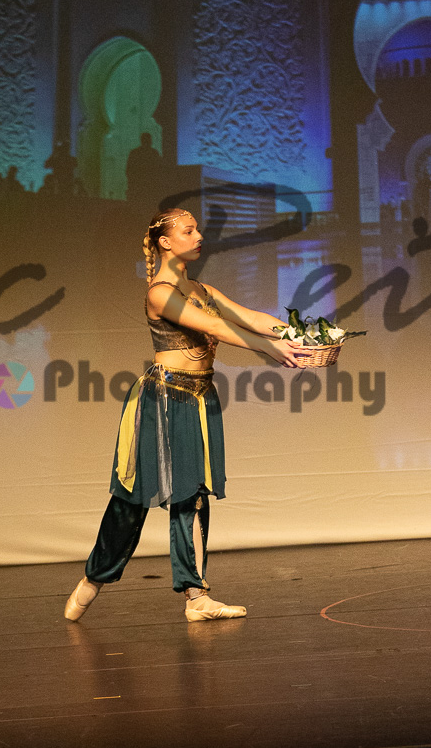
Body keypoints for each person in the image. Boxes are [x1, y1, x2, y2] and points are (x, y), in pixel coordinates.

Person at [65, 206, 300, 624]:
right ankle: (94, 577)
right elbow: (218, 328)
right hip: (164, 399)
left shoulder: (202, 289)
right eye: (188, 231)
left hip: (199, 398)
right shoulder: (160, 293)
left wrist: (296, 334)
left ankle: (196, 596)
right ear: (165, 242)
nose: (199, 236)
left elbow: (249, 318)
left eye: (197, 230)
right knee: (133, 500)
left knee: (192, 494)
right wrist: (268, 348)